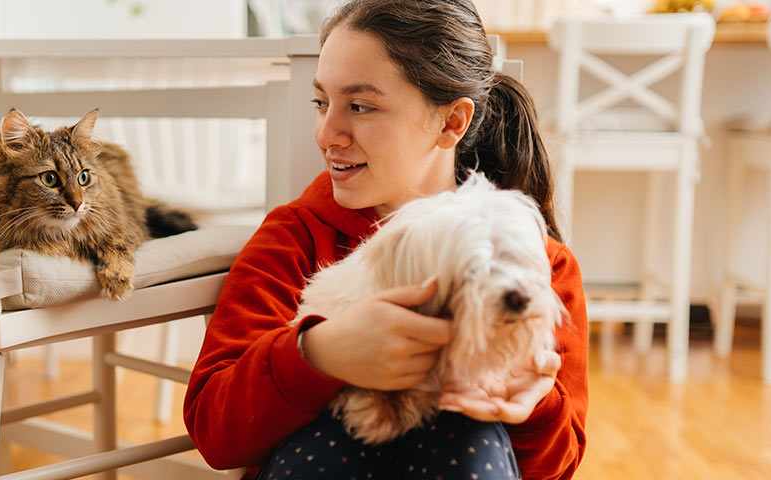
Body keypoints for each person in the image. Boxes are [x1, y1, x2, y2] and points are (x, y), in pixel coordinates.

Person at [182, 0, 589, 478]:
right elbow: (214, 432)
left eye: (360, 106)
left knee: (470, 438)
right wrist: (318, 353)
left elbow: (557, 466)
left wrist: (532, 404)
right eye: (321, 103)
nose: (327, 133)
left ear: (451, 122)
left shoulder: (537, 267)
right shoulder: (294, 238)